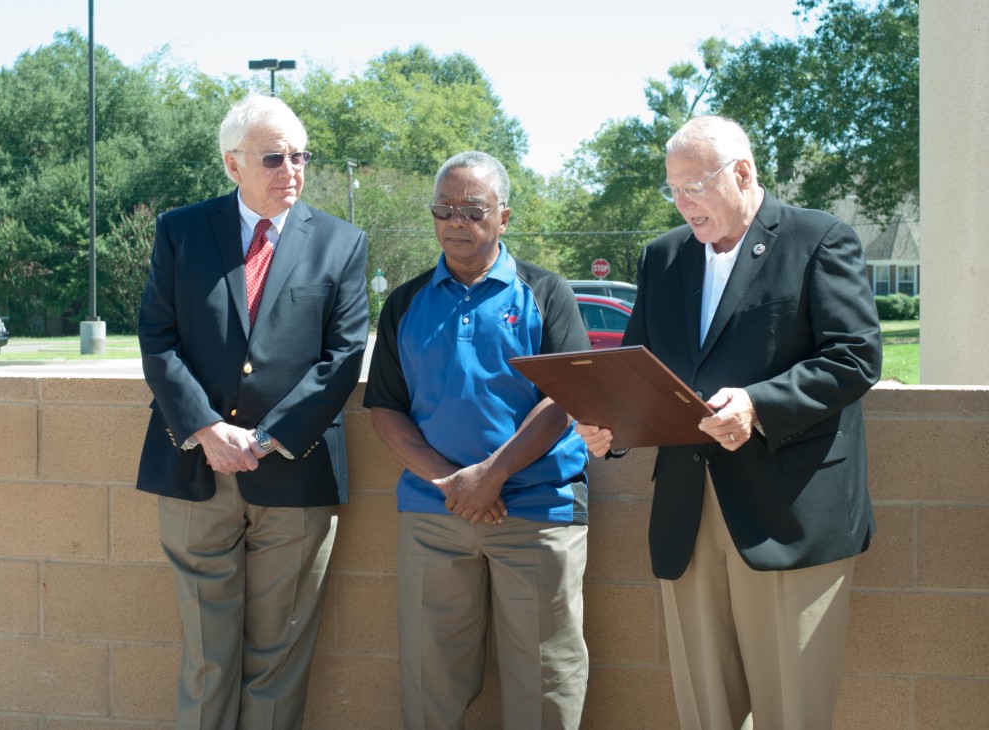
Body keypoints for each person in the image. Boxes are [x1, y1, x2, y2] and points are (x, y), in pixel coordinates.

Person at [576, 115, 882, 730]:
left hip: (790, 511)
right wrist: (609, 429)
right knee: (705, 713)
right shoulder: (663, 258)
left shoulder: (818, 239)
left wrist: (758, 405)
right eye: (673, 189)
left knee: (791, 712)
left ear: (742, 174)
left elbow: (855, 357)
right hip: (689, 513)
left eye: (693, 186)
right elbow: (639, 369)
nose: (682, 203)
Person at [136, 95, 369, 730]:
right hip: (195, 472)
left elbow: (343, 358)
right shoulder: (182, 231)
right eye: (274, 157)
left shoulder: (342, 243)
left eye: (300, 156)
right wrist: (209, 430)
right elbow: (157, 340)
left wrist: (264, 440)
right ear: (232, 164)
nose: (291, 170)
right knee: (209, 658)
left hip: (294, 475)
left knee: (278, 661)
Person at [363, 151, 592, 729]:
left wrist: (491, 475)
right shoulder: (406, 303)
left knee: (545, 681)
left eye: (473, 209)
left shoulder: (547, 292)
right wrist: (450, 481)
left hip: (538, 509)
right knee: (430, 678)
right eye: (444, 209)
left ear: (504, 217)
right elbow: (386, 410)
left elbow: (565, 397)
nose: (455, 221)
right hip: (434, 513)